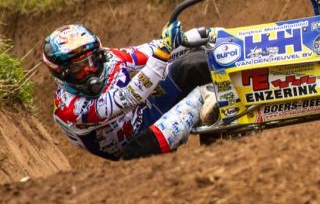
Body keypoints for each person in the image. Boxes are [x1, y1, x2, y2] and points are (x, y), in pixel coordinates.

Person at [42, 21, 216, 160]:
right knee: (137, 151)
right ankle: (204, 96)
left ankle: (216, 89)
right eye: (77, 68)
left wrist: (207, 33)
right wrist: (164, 50)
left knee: (191, 62)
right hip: (136, 146)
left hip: (145, 111)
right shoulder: (70, 110)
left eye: (93, 60)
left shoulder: (110, 58)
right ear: (61, 73)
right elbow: (131, 96)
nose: (90, 70)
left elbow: (150, 51)